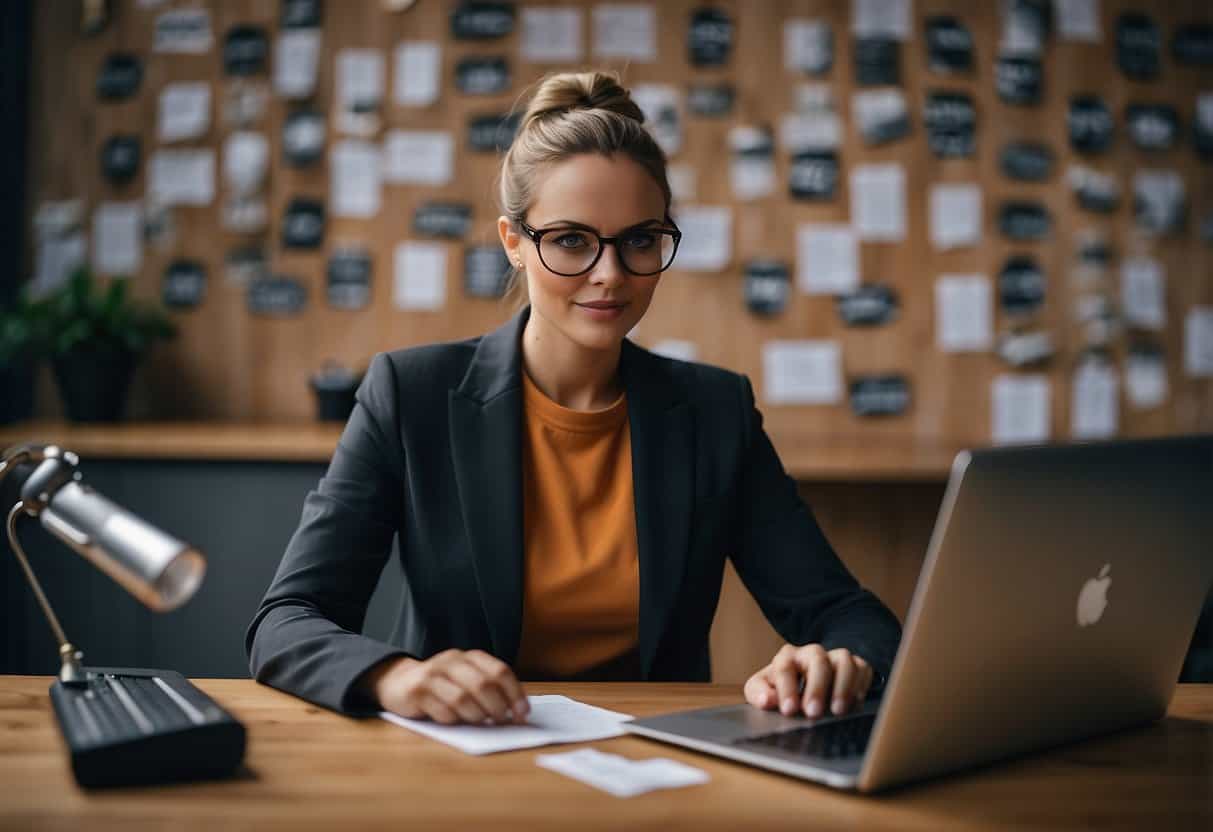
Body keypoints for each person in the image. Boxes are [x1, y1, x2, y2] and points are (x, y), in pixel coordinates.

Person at [246, 71, 901, 727]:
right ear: (513, 242)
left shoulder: (714, 412)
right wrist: (394, 677)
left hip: (653, 761)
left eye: (640, 240)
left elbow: (845, 613)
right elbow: (287, 622)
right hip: (460, 758)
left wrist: (838, 659)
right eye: (570, 241)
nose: (609, 274)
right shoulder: (410, 394)